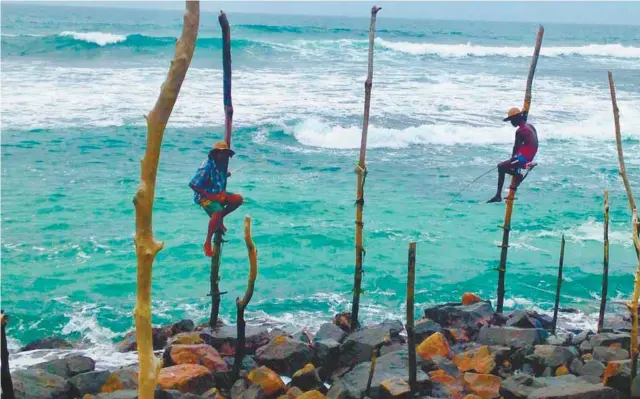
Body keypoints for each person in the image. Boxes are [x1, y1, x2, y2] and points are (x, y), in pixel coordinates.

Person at [189, 141, 244, 257]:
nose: (224, 156)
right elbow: (193, 184)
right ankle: (207, 241)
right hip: (204, 196)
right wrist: (210, 196)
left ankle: (218, 220)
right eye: (221, 153)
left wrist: (226, 174)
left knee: (238, 199)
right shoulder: (207, 166)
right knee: (217, 211)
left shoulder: (223, 163)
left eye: (226, 154)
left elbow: (219, 177)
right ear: (215, 154)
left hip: (218, 192)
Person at [487, 107, 538, 203]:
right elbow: (533, 142)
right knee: (506, 165)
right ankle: (518, 172)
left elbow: (516, 147)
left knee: (500, 166)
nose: (511, 123)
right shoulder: (530, 126)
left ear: (516, 119)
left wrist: (513, 160)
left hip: (524, 158)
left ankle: (499, 195)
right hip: (530, 155)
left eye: (511, 120)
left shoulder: (519, 131)